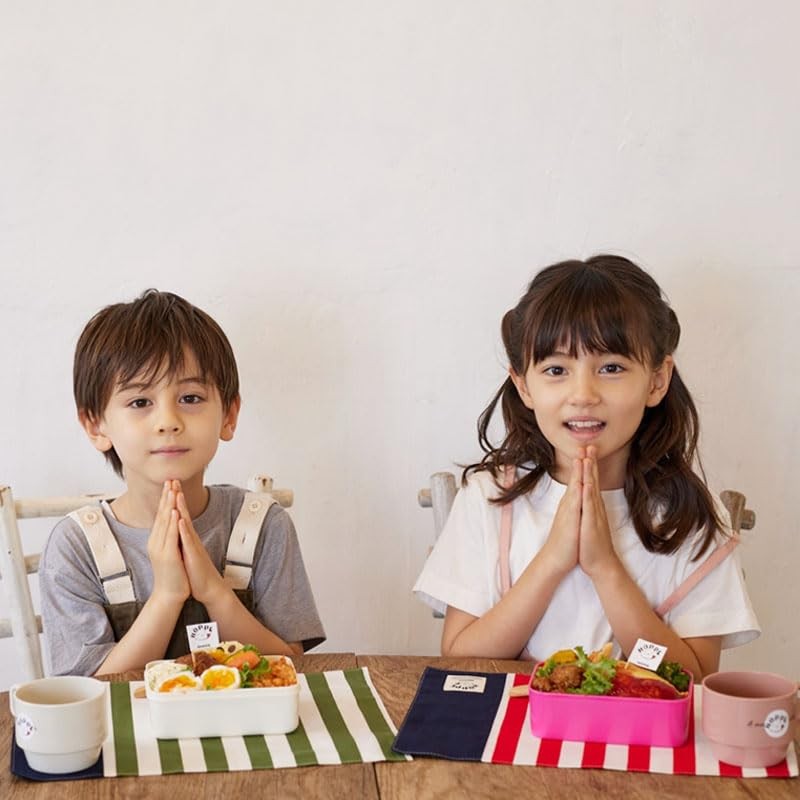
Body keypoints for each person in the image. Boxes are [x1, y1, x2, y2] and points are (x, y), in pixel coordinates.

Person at [414, 255, 759, 678]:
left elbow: (692, 678)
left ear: (657, 380)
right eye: (556, 369)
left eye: (611, 368)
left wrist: (605, 569)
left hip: (639, 724)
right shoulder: (490, 499)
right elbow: (461, 660)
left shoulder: (691, 518)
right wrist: (552, 561)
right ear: (523, 385)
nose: (583, 394)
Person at [40, 290, 325, 676]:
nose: (168, 422)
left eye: (190, 398)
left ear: (229, 415)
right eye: (140, 402)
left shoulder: (263, 525)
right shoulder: (76, 548)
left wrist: (214, 592)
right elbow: (88, 691)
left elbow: (292, 668)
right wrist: (167, 596)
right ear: (96, 425)